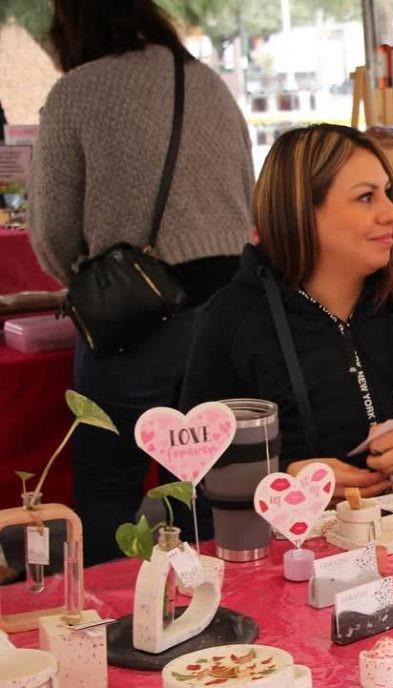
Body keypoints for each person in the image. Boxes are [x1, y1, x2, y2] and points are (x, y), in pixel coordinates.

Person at [27, 0, 253, 566]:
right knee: (211, 482)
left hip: (135, 324)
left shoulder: (76, 92)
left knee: (109, 484)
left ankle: (112, 621)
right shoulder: (207, 82)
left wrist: (86, 282)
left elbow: (52, 229)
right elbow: (248, 193)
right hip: (231, 313)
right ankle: (219, 609)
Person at [181, 124, 393, 495]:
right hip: (299, 547)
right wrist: (286, 479)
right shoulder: (231, 320)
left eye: (387, 193)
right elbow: (196, 469)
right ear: (301, 211)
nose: (392, 214)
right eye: (366, 197)